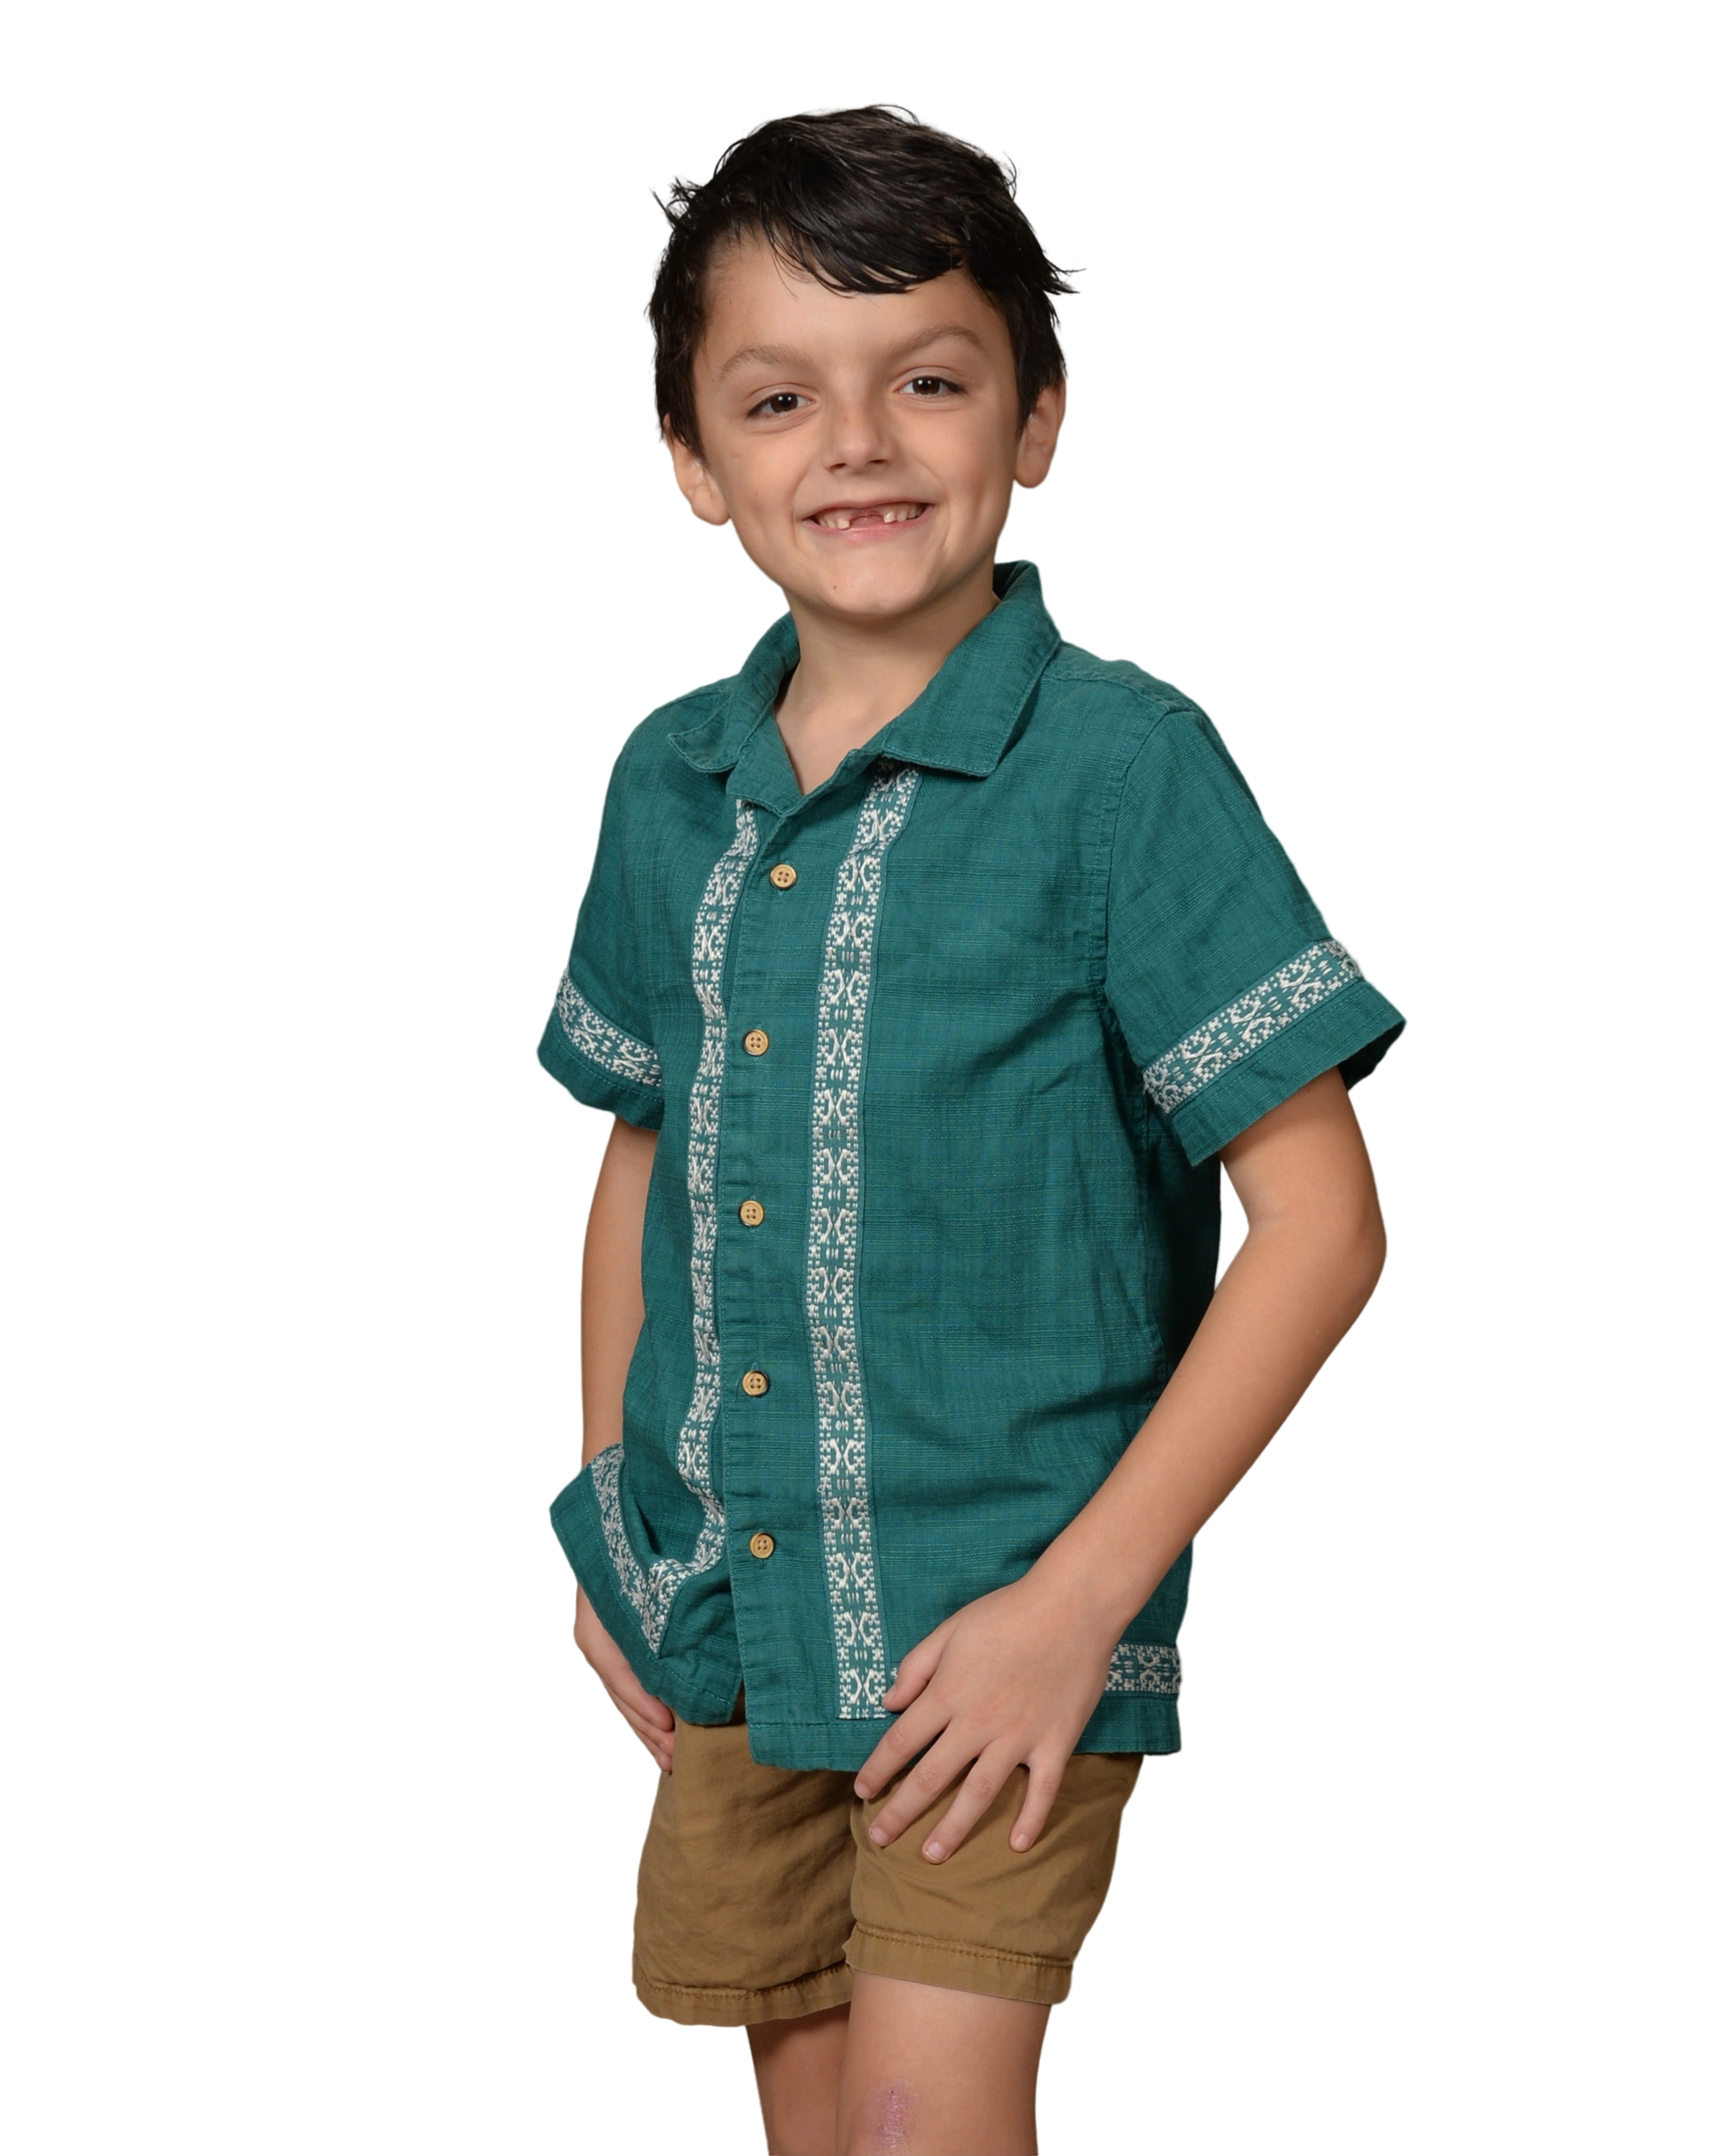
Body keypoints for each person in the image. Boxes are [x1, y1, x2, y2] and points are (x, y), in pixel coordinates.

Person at [535, 99, 1409, 2156]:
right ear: (691, 459)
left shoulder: (1125, 766)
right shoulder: (671, 781)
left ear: (1038, 422)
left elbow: (1322, 1227)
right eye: (778, 396)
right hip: (724, 1610)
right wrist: (606, 1525)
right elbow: (642, 1152)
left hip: (1002, 1628)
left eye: (927, 378)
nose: (857, 441)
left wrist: (1073, 1612)